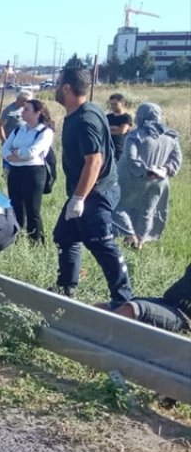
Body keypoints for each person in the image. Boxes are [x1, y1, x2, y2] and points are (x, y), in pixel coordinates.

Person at [52, 63, 132, 307]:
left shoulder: (85, 119)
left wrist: (78, 199)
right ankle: (66, 286)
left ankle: (124, 298)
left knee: (101, 243)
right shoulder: (86, 111)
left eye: (57, 83)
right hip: (87, 190)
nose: (54, 87)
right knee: (65, 235)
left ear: (66, 87)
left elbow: (94, 161)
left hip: (94, 193)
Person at [113, 102, 181, 249]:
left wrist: (146, 171)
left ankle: (130, 236)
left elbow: (131, 157)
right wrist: (165, 170)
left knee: (118, 207)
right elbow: (176, 160)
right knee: (146, 211)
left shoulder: (135, 135)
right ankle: (140, 242)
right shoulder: (170, 136)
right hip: (159, 181)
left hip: (132, 179)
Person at [0, 99, 55, 243]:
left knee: (32, 210)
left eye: (26, 109)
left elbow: (33, 152)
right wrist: (14, 157)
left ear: (37, 113)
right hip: (16, 172)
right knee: (15, 206)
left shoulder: (45, 131)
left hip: (34, 173)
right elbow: (4, 149)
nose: (22, 112)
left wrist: (16, 153)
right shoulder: (19, 129)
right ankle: (15, 239)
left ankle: (36, 242)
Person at [102, 263, 190, 334]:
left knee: (131, 310)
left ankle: (97, 349)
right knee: (104, 308)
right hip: (169, 302)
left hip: (184, 316)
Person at [105, 93, 133, 162]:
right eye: (111, 104)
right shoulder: (107, 117)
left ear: (122, 104)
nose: (112, 106)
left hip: (120, 149)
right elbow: (102, 129)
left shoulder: (126, 118)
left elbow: (122, 131)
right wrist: (114, 128)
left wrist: (109, 129)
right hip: (107, 148)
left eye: (115, 104)